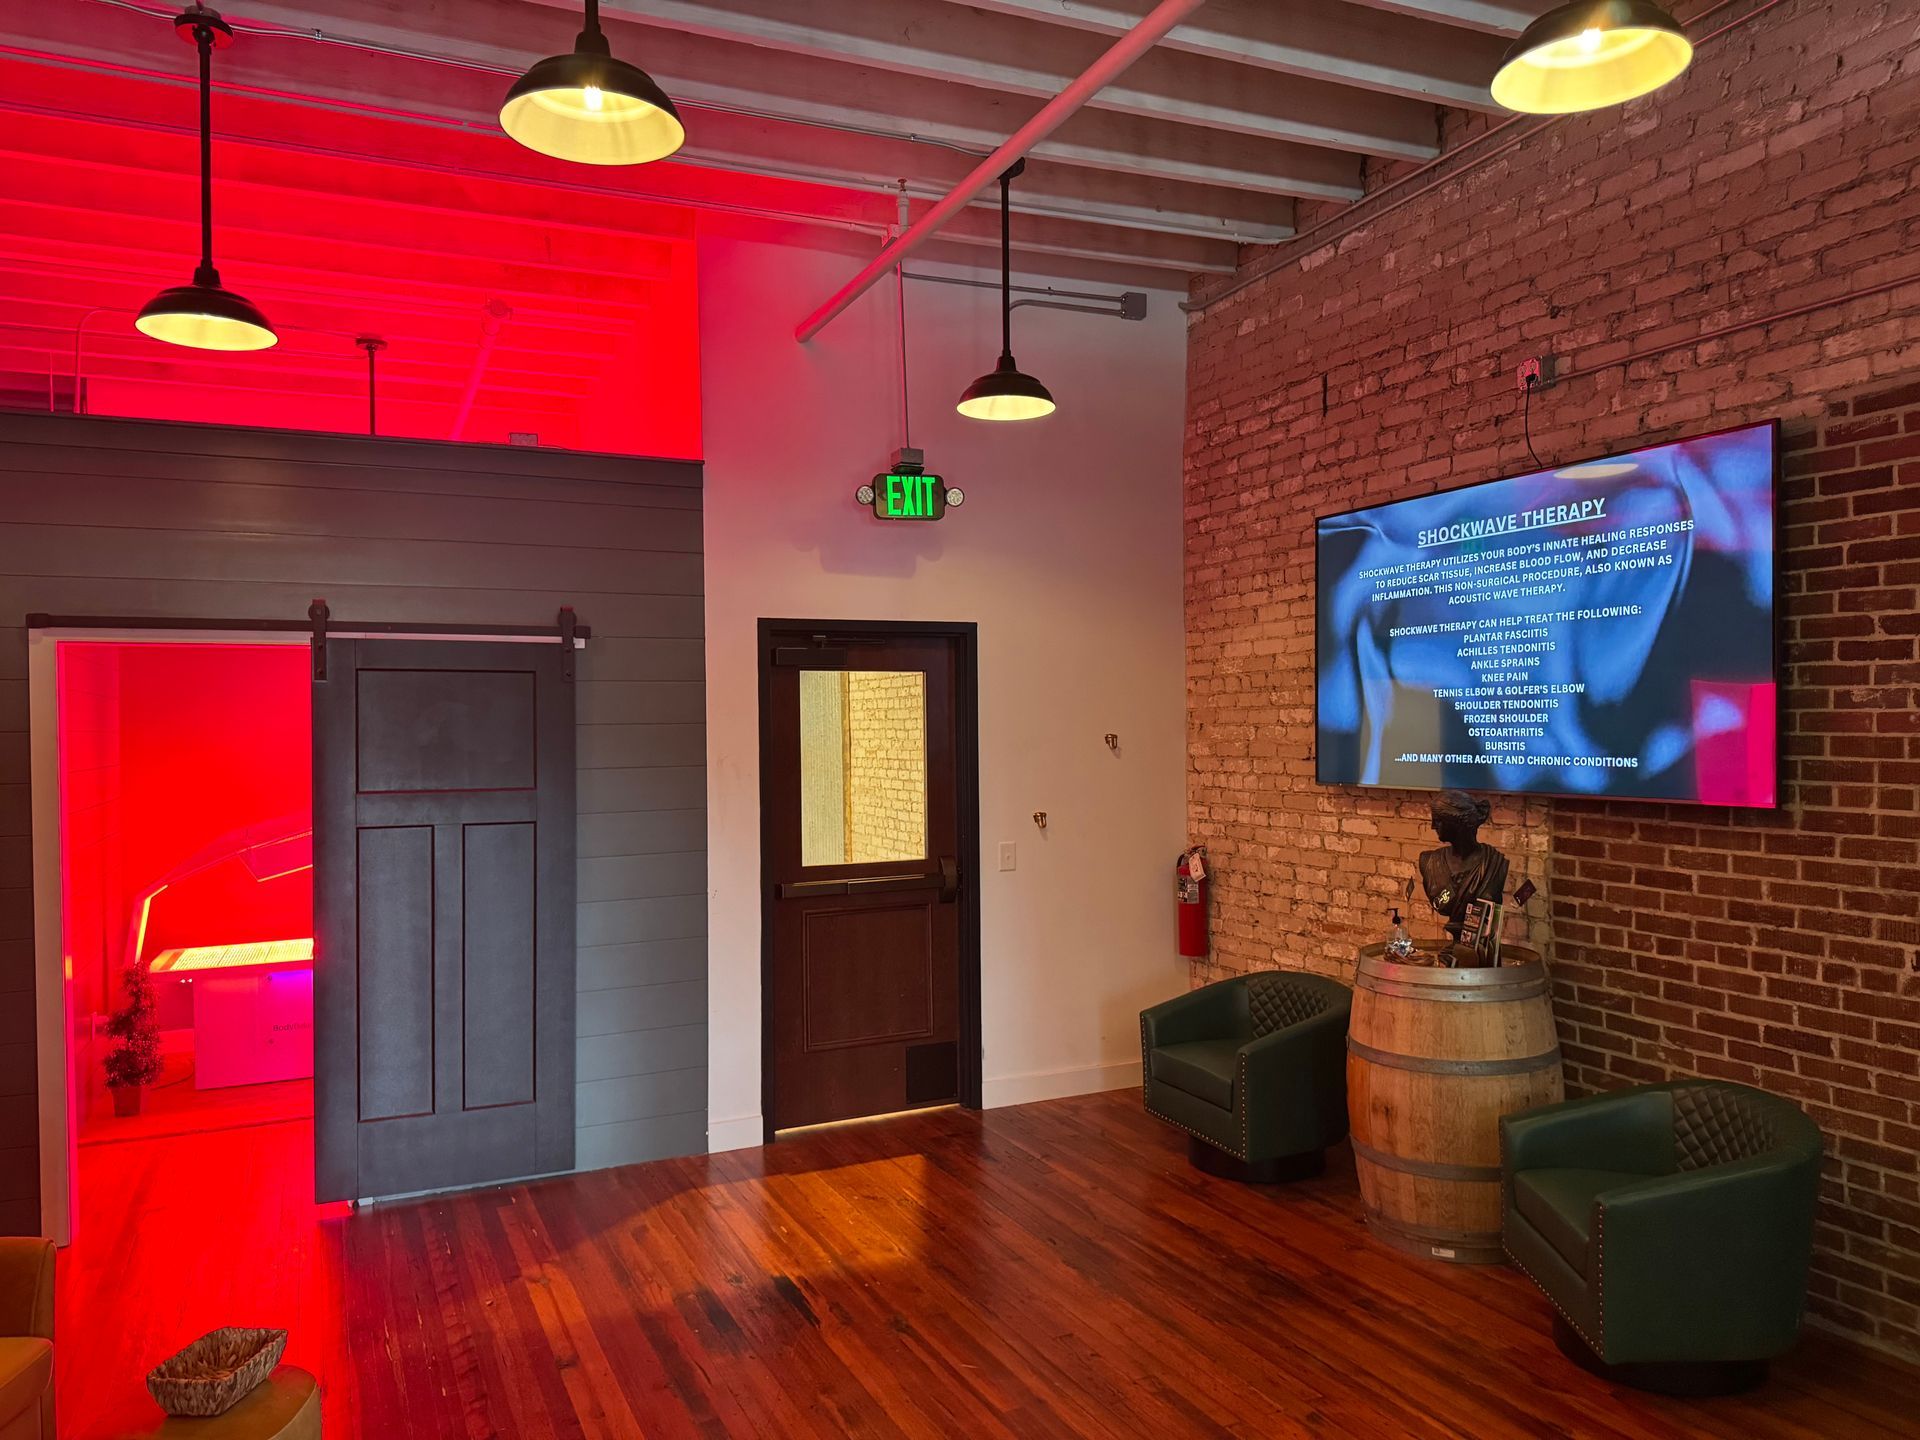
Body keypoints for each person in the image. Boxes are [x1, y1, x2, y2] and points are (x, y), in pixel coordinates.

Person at [1417, 791, 1509, 951]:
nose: (1432, 826)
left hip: (1479, 956)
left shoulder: (1495, 864)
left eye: (1438, 821)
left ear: (1455, 823)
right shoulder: (1429, 862)